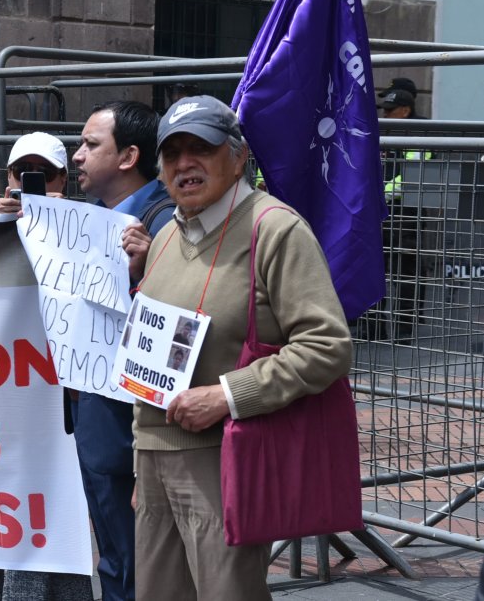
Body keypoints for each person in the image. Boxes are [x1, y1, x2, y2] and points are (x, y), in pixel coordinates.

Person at [133, 96, 352, 600]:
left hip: (225, 461)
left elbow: (328, 346)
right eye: (172, 153)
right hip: (154, 463)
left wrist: (227, 395)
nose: (184, 164)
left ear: (238, 157)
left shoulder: (274, 229)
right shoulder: (165, 236)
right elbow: (148, 361)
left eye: (200, 149)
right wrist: (142, 462)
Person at [0, 130, 94, 600]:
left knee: (46, 503)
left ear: (64, 181)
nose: (33, 182)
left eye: (46, 174)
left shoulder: (87, 229)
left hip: (53, 404)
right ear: (7, 178)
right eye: (22, 172)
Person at [69, 100, 174, 601]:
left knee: (139, 555)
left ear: (129, 156)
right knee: (112, 545)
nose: (77, 156)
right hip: (94, 411)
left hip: (134, 417)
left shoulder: (169, 225)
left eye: (91, 145)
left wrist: (145, 272)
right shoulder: (87, 220)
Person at [379, 88, 431, 340]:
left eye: (390, 110)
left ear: (406, 110)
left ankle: (404, 329)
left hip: (405, 214)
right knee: (374, 268)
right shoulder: (381, 131)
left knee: (405, 271)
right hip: (378, 211)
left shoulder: (418, 134)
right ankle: (372, 328)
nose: (386, 114)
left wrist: (379, 192)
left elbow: (414, 175)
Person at [0, 131, 69, 217]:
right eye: (22, 170)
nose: (33, 181)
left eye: (45, 172)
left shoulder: (77, 223)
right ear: (9, 174)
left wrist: (62, 217)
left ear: (63, 178)